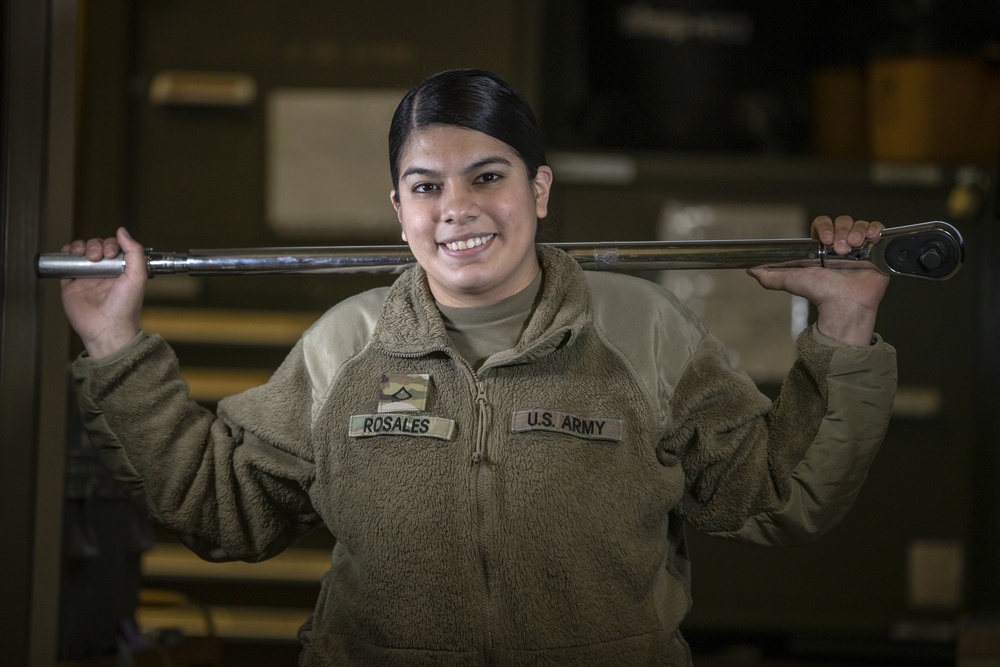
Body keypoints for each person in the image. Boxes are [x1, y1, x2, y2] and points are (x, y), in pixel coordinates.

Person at [60, 68, 895, 666]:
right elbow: (222, 509)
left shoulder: (644, 330)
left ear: (538, 189)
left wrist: (846, 322)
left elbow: (779, 494)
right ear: (398, 211)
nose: (456, 207)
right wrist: (114, 344)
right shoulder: (345, 343)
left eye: (487, 176)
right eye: (425, 186)